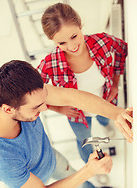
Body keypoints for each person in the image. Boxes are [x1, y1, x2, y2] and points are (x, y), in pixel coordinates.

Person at [0, 60, 133, 188]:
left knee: (72, 176)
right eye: (37, 107)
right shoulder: (0, 159)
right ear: (8, 110)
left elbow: (69, 96)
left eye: (44, 101)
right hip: (27, 184)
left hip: (48, 156)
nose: (45, 108)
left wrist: (116, 113)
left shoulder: (10, 94)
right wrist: (89, 170)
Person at [37, 3, 128, 175]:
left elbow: (122, 50)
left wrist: (115, 82)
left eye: (74, 36)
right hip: (78, 116)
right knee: (84, 141)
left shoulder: (103, 41)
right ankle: (93, 169)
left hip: (106, 101)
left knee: (105, 120)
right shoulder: (50, 63)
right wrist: (58, 108)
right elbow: (32, 93)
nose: (71, 46)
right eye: (62, 42)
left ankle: (106, 125)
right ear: (53, 41)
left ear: (80, 25)